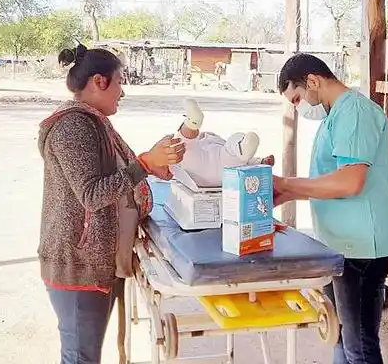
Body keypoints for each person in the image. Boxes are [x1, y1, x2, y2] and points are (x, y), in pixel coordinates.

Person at [37, 43, 186, 364]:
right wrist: (144, 164)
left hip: (97, 263)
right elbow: (92, 194)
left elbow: (118, 174)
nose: (122, 92)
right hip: (78, 266)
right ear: (99, 82)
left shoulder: (95, 123)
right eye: (120, 82)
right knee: (80, 358)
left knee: (85, 355)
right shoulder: (72, 126)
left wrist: (151, 166)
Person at [273, 53, 388, 364]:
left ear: (313, 81)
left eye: (298, 98)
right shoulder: (336, 115)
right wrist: (286, 194)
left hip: (361, 249)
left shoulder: (354, 112)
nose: (300, 107)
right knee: (341, 335)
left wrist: (288, 184)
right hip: (343, 244)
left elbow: (350, 182)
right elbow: (328, 182)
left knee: (360, 345)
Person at [171, 98, 274, 188]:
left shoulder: (206, 141)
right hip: (221, 171)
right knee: (234, 144)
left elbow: (246, 160)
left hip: (211, 171)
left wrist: (261, 162)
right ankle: (242, 146)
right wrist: (260, 162)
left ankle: (192, 121)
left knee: (186, 147)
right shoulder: (210, 140)